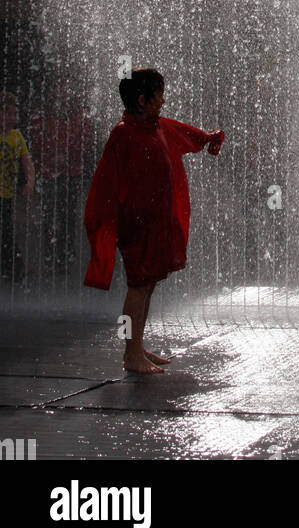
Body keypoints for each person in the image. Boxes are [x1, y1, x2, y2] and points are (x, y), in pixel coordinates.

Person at [84, 69, 225, 374]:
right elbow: (106, 182)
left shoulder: (155, 127)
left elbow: (182, 132)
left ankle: (137, 346)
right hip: (136, 227)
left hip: (155, 224)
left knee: (146, 287)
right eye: (158, 94)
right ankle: (130, 354)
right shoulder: (124, 134)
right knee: (138, 287)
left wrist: (207, 139)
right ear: (141, 100)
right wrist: (107, 224)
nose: (163, 99)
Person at [30, 77, 95, 270]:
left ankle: (66, 255)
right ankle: (52, 256)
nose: (64, 92)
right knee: (50, 214)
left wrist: (68, 155)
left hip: (71, 170)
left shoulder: (79, 116)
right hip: (48, 172)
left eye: (67, 89)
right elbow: (35, 138)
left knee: (68, 215)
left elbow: (86, 138)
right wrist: (52, 156)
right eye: (60, 88)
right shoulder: (42, 113)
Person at [0, 92, 35, 281]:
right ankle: (15, 264)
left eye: (14, 114)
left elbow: (27, 162)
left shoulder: (17, 136)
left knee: (6, 229)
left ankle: (15, 265)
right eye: (8, 114)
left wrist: (30, 182)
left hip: (6, 193)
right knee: (5, 230)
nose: (12, 118)